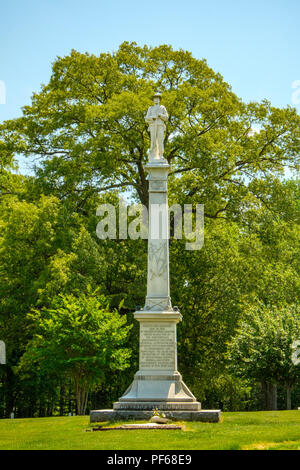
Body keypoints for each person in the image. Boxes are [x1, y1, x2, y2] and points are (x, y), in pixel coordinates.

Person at [145, 92, 168, 161]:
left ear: (159, 100)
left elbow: (166, 117)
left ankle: (161, 155)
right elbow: (146, 118)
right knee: (153, 141)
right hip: (152, 126)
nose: (156, 100)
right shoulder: (150, 108)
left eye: (157, 99)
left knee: (160, 141)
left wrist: (160, 115)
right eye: (155, 99)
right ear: (153, 100)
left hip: (160, 125)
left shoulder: (162, 107)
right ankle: (153, 155)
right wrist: (152, 117)